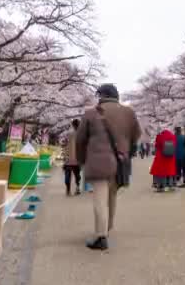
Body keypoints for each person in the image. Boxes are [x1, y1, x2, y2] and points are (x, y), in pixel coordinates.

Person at [76, 83, 141, 251]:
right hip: (120, 161)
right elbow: (137, 134)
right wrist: (127, 149)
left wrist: (82, 160)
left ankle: (101, 236)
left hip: (98, 161)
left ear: (101, 95)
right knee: (112, 195)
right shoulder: (129, 112)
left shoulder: (91, 113)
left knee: (100, 198)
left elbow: (80, 139)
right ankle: (108, 227)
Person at [62, 119, 82, 196]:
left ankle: (68, 190)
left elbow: (63, 144)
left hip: (68, 158)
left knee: (67, 175)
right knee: (77, 175)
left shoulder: (68, 134)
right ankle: (77, 188)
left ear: (73, 125)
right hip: (77, 159)